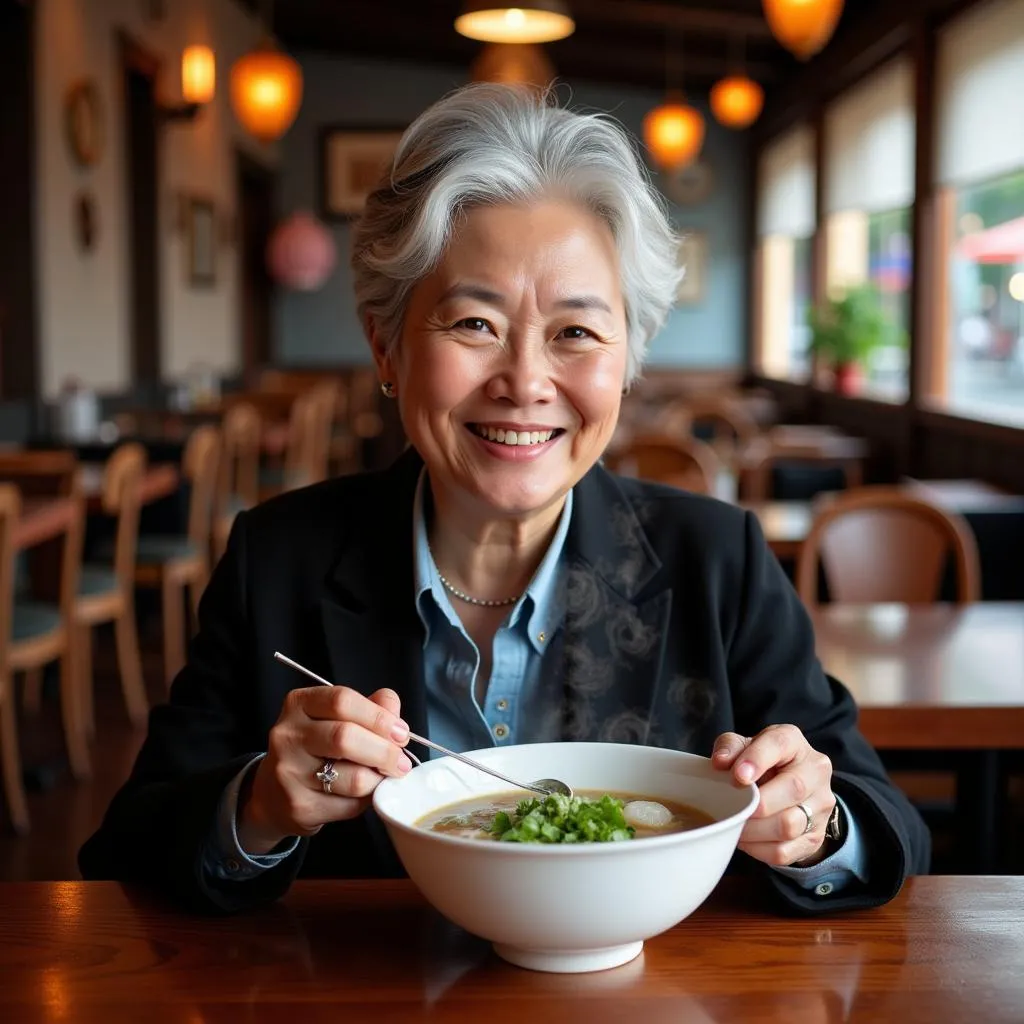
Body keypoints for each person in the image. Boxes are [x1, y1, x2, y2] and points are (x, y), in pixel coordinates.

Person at [80, 83, 929, 914]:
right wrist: (260, 807)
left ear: (626, 362)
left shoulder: (719, 560)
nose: (526, 382)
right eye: (473, 323)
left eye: (576, 334)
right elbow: (125, 851)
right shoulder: (279, 558)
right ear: (385, 346)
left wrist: (814, 824)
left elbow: (887, 825)